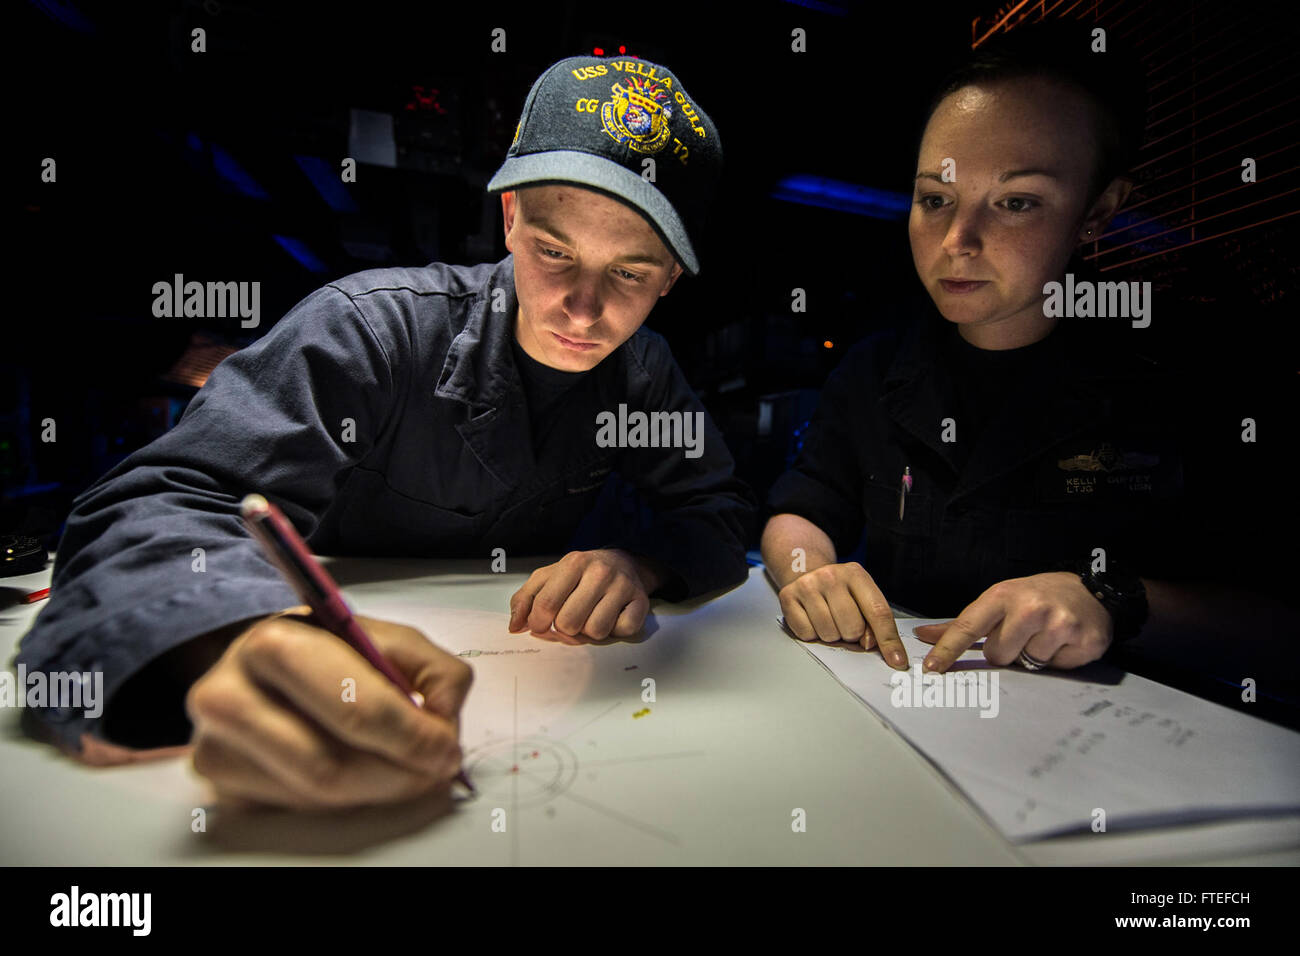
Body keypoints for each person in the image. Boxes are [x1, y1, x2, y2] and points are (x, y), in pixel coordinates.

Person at [15, 54, 755, 808]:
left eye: (630, 272)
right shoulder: (368, 328)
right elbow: (163, 500)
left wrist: (640, 564)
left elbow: (718, 514)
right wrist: (224, 640)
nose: (584, 309)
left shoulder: (644, 375)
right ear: (509, 219)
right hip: (320, 650)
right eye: (554, 251)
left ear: (670, 277)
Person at [762, 24, 1221, 676]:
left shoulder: (1184, 376)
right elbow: (801, 508)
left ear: (1099, 210)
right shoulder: (872, 370)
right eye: (936, 200)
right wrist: (810, 570)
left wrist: (1115, 599)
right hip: (905, 705)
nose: (959, 239)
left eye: (1016, 202)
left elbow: (1276, 623)